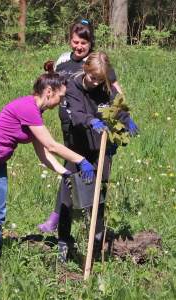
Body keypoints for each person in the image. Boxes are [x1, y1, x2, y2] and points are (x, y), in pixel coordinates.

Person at [0, 72, 96, 272]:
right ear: (49, 92)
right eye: (60, 97)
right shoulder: (27, 107)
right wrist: (80, 160)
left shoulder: (36, 114)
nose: (61, 102)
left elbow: (43, 153)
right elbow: (51, 145)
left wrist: (64, 172)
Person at [38, 18, 124, 232]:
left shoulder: (95, 63)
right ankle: (60, 217)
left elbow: (114, 89)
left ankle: (88, 218)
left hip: (93, 127)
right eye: (75, 42)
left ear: (90, 43)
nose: (78, 46)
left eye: (83, 43)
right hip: (70, 123)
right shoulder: (64, 60)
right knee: (72, 168)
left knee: (89, 170)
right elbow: (52, 84)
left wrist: (122, 118)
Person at [52, 51, 138, 263]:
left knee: (99, 192)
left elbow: (116, 108)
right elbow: (77, 113)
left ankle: (96, 240)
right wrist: (90, 121)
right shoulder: (73, 86)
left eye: (100, 80)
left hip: (99, 147)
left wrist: (127, 120)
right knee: (69, 192)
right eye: (93, 78)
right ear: (85, 71)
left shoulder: (104, 88)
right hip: (77, 146)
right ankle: (64, 240)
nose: (95, 83)